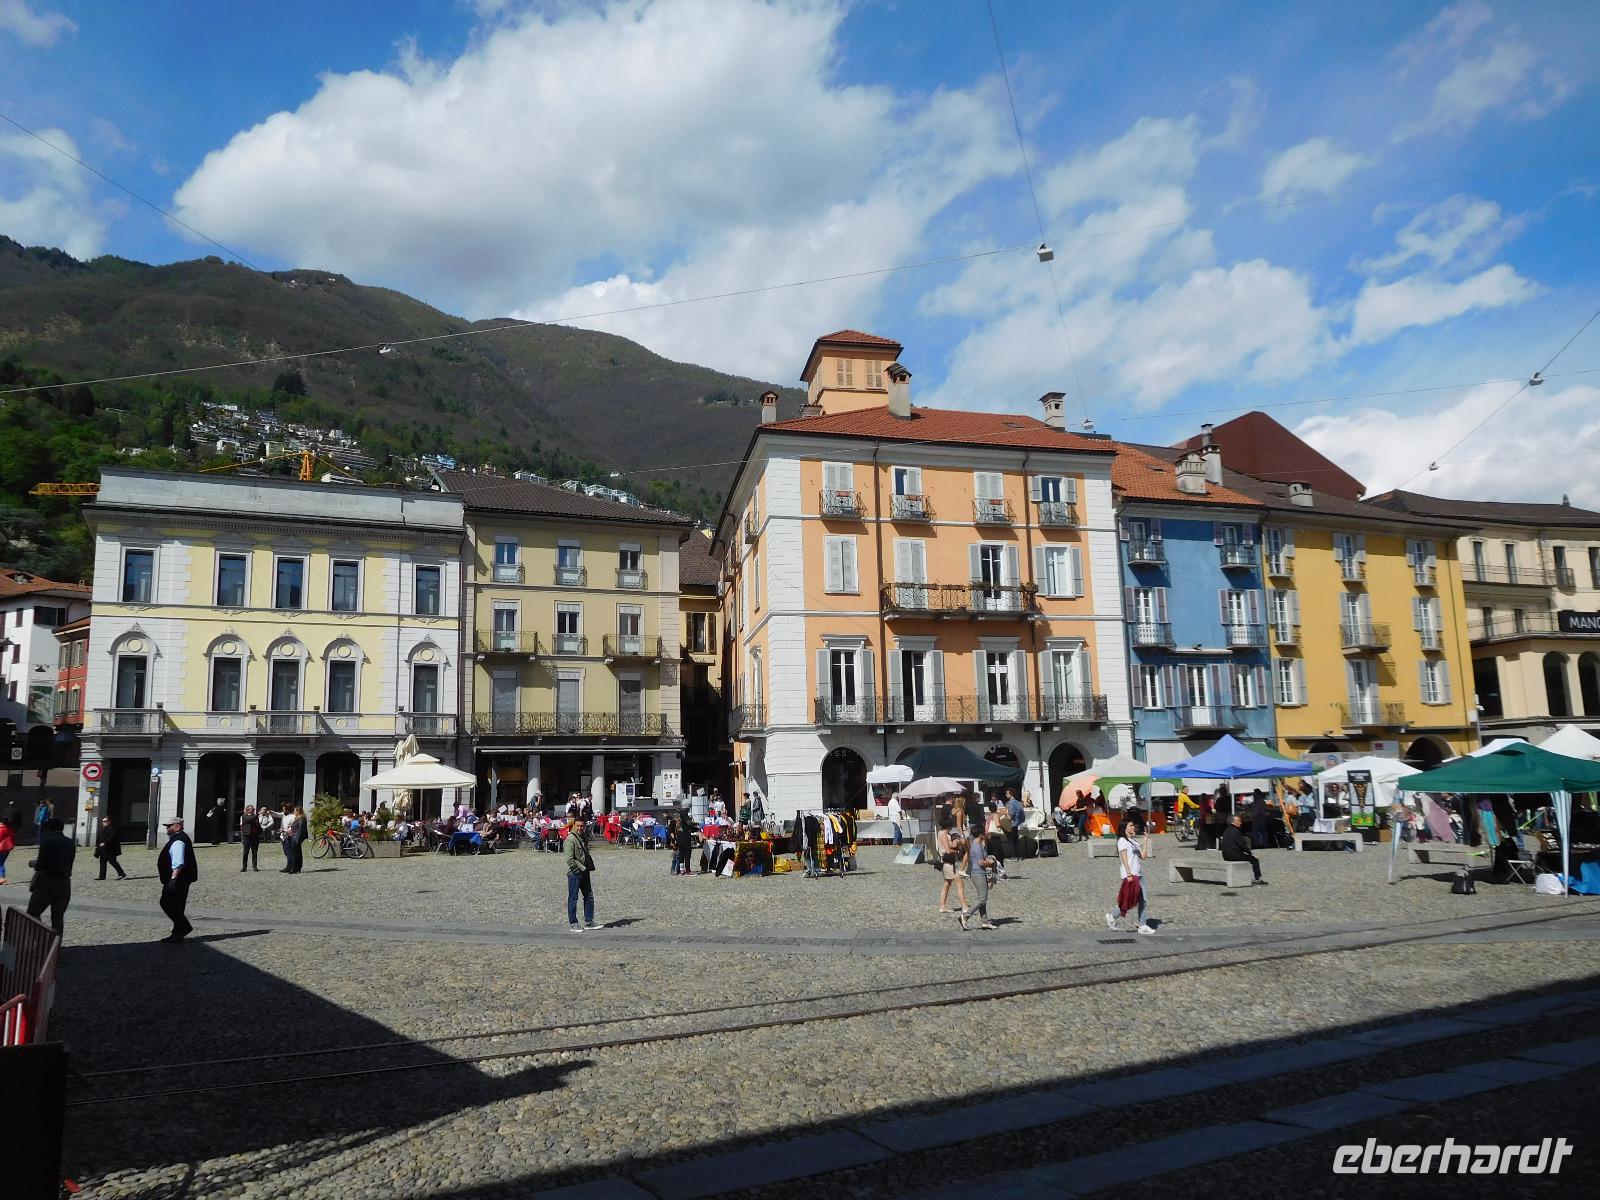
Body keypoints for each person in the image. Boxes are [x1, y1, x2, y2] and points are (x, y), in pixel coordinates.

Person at [25, 817, 75, 936]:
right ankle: (56, 946)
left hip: (47, 882)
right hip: (64, 882)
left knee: (33, 912)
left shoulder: (47, 842)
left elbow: (40, 866)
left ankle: (41, 938)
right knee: (58, 917)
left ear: (48, 829)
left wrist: (33, 863)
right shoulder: (70, 842)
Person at [1106, 813, 1155, 935]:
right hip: (1131, 875)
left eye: (1134, 826)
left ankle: (1142, 925)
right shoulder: (1122, 841)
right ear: (1125, 827)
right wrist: (1128, 874)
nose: (1134, 827)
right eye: (1131, 825)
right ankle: (1112, 916)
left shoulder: (1134, 842)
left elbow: (1143, 856)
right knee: (1129, 901)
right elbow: (1123, 857)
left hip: (1139, 874)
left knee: (1141, 900)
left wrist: (1145, 841)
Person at [157, 815, 198, 943]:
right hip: (182, 878)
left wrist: (173, 879)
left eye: (169, 826)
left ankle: (184, 928)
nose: (167, 828)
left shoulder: (179, 840)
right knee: (177, 905)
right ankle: (178, 932)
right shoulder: (178, 838)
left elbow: (178, 862)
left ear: (177, 826)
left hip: (178, 878)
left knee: (167, 903)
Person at [959, 820, 999, 931]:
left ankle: (985, 921)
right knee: (982, 898)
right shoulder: (977, 846)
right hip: (978, 874)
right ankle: (966, 916)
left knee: (983, 898)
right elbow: (981, 862)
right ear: (981, 834)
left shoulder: (977, 845)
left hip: (978, 873)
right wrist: (990, 862)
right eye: (984, 832)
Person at [564, 815, 598, 931]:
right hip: (575, 873)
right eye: (578, 826)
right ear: (574, 825)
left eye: (582, 826)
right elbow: (569, 859)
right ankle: (573, 924)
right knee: (573, 899)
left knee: (589, 897)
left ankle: (589, 921)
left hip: (585, 871)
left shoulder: (583, 837)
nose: (580, 828)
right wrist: (577, 870)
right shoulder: (570, 839)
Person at [1220, 813, 1266, 885]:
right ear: (1233, 822)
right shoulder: (1236, 831)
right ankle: (1258, 878)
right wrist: (1251, 854)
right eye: (1238, 821)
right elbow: (1242, 845)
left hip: (1225, 855)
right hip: (1233, 855)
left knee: (1247, 856)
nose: (1240, 823)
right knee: (1254, 860)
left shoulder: (1227, 830)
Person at [936, 814, 968, 915]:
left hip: (947, 863)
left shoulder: (942, 834)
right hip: (948, 863)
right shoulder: (943, 835)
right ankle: (964, 906)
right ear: (949, 826)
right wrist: (957, 852)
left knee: (947, 884)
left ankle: (942, 906)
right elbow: (948, 850)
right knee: (960, 884)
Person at [94, 816, 127, 880]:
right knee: (102, 862)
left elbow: (112, 838)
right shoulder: (102, 829)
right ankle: (102, 876)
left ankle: (121, 874)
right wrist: (98, 846)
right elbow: (99, 838)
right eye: (102, 821)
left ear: (109, 822)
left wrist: (105, 843)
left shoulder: (112, 829)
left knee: (113, 862)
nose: (103, 822)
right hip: (103, 849)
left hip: (110, 849)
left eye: (105, 821)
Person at [238, 805, 262, 871]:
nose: (253, 810)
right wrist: (258, 814)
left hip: (255, 836)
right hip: (247, 836)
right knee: (246, 852)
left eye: (254, 809)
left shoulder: (255, 817)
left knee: (254, 852)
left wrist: (259, 832)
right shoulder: (244, 816)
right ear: (248, 810)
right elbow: (250, 819)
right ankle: (244, 866)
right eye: (252, 809)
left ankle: (254, 866)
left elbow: (258, 825)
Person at [1006, 789, 1025, 856]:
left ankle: (1013, 856)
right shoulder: (1019, 803)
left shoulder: (1011, 803)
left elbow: (1009, 817)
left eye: (1007, 793)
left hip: (1012, 824)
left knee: (1011, 841)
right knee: (1016, 841)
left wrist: (1004, 813)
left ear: (1011, 794)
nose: (1006, 795)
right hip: (1018, 824)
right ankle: (1018, 855)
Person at [0, 812, 14, 885]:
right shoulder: (10, 829)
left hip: (0, 848)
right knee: (1, 864)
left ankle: (2, 878)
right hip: (6, 849)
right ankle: (2, 878)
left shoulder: (1, 830)